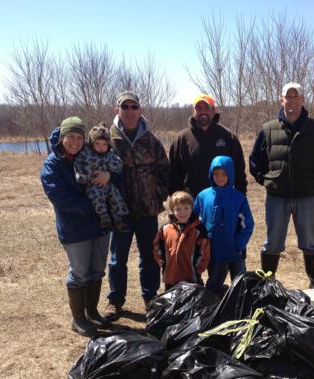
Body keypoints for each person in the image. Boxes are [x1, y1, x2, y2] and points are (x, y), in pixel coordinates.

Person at [249, 82, 314, 288]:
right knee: (272, 244)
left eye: (295, 97)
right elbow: (255, 160)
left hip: (306, 197)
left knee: (310, 244)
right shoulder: (268, 129)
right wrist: (267, 180)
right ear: (281, 100)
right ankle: (267, 287)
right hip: (276, 198)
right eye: (287, 97)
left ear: (302, 100)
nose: (291, 101)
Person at [40, 116, 110, 337]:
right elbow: (61, 198)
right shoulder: (52, 165)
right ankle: (78, 319)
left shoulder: (89, 156)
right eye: (71, 136)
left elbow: (112, 173)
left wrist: (109, 175)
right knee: (80, 273)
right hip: (75, 228)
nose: (75, 141)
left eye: (80, 137)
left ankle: (92, 311)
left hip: (99, 225)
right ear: (62, 137)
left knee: (97, 270)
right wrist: (96, 207)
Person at [105, 91, 170, 320]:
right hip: (120, 211)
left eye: (134, 107)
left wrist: (157, 195)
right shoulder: (108, 139)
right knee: (117, 258)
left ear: (140, 110)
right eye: (126, 107)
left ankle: (150, 298)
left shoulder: (151, 140)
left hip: (147, 210)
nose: (130, 111)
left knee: (150, 256)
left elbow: (164, 170)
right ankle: (115, 300)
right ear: (117, 110)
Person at [194, 155, 254, 296]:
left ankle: (239, 310)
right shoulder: (203, 196)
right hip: (213, 250)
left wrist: (239, 243)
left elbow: (248, 224)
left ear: (230, 174)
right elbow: (195, 222)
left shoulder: (238, 198)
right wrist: (199, 243)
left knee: (240, 284)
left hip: (235, 250)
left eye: (224, 173)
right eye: (216, 174)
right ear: (211, 174)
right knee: (214, 283)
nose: (220, 177)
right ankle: (216, 310)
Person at [169, 94, 247, 198]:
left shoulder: (228, 137)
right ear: (193, 111)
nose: (203, 111)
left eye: (207, 108)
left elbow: (239, 171)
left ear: (214, 110)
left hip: (222, 199)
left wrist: (240, 198)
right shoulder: (181, 138)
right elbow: (173, 173)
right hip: (190, 204)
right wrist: (176, 201)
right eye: (199, 108)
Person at [73, 123, 129, 230]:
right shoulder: (85, 153)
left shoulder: (110, 154)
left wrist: (112, 167)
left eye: (104, 144)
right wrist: (80, 176)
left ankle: (119, 219)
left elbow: (119, 165)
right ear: (91, 144)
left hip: (108, 184)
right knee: (97, 198)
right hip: (92, 183)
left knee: (116, 197)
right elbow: (77, 164)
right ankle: (104, 218)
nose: (101, 147)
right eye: (97, 144)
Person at [153, 191, 211, 290]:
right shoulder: (165, 229)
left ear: (192, 208)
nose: (182, 212)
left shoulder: (199, 229)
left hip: (191, 276)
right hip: (170, 276)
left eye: (186, 208)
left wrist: (198, 268)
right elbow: (157, 245)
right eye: (178, 209)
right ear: (172, 210)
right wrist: (160, 259)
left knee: (190, 303)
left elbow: (204, 250)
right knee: (172, 302)